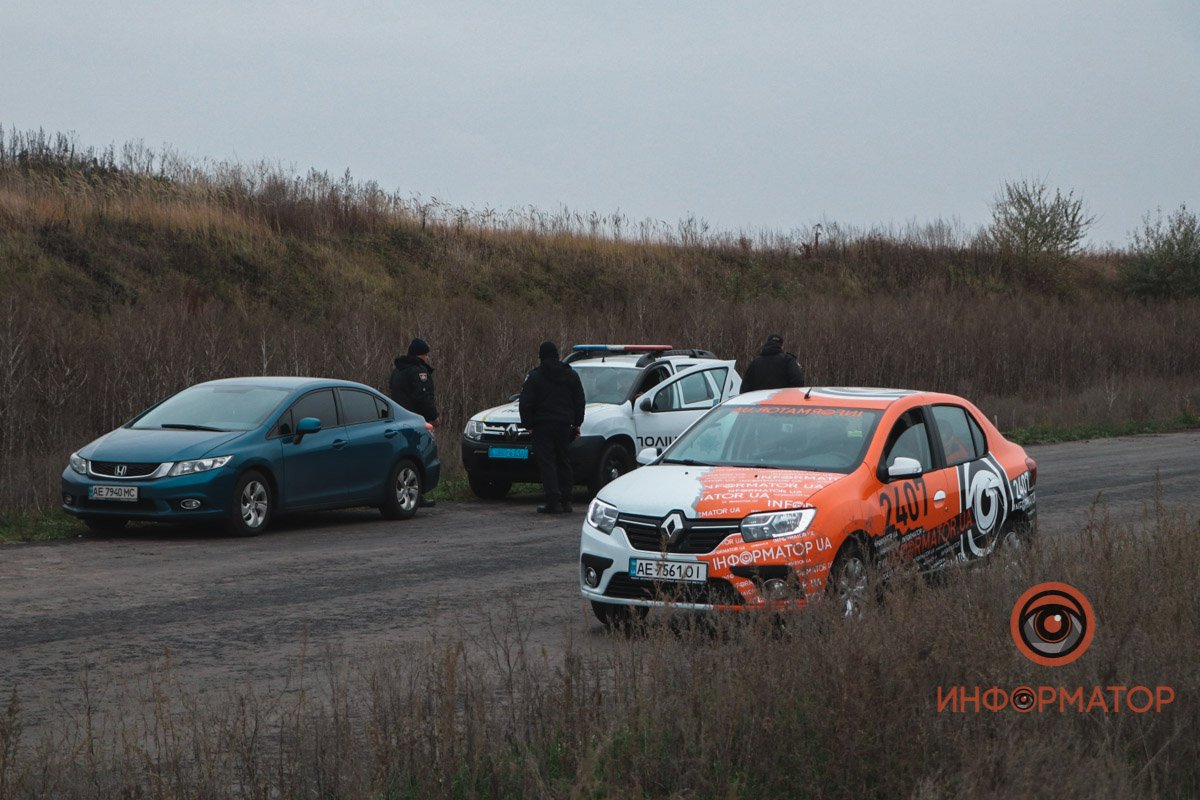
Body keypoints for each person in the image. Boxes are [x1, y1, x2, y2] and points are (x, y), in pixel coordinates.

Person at [519, 341, 586, 515]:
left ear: (541, 356)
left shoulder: (535, 377)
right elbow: (579, 400)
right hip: (564, 426)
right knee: (564, 461)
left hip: (542, 426)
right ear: (557, 355)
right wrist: (577, 423)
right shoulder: (571, 375)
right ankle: (567, 500)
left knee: (547, 463)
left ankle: (553, 501)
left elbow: (525, 403)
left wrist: (529, 425)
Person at [389, 338, 439, 507]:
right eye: (426, 355)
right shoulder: (418, 371)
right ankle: (418, 494)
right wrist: (434, 415)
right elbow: (423, 396)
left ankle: (404, 493)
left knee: (404, 459)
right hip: (415, 421)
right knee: (419, 457)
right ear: (421, 355)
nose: (427, 358)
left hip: (398, 420)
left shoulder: (397, 371)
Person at [742, 333, 806, 392]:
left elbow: (745, 388)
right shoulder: (788, 360)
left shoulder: (755, 363)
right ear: (781, 345)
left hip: (759, 401)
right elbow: (798, 381)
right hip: (782, 401)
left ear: (767, 343)